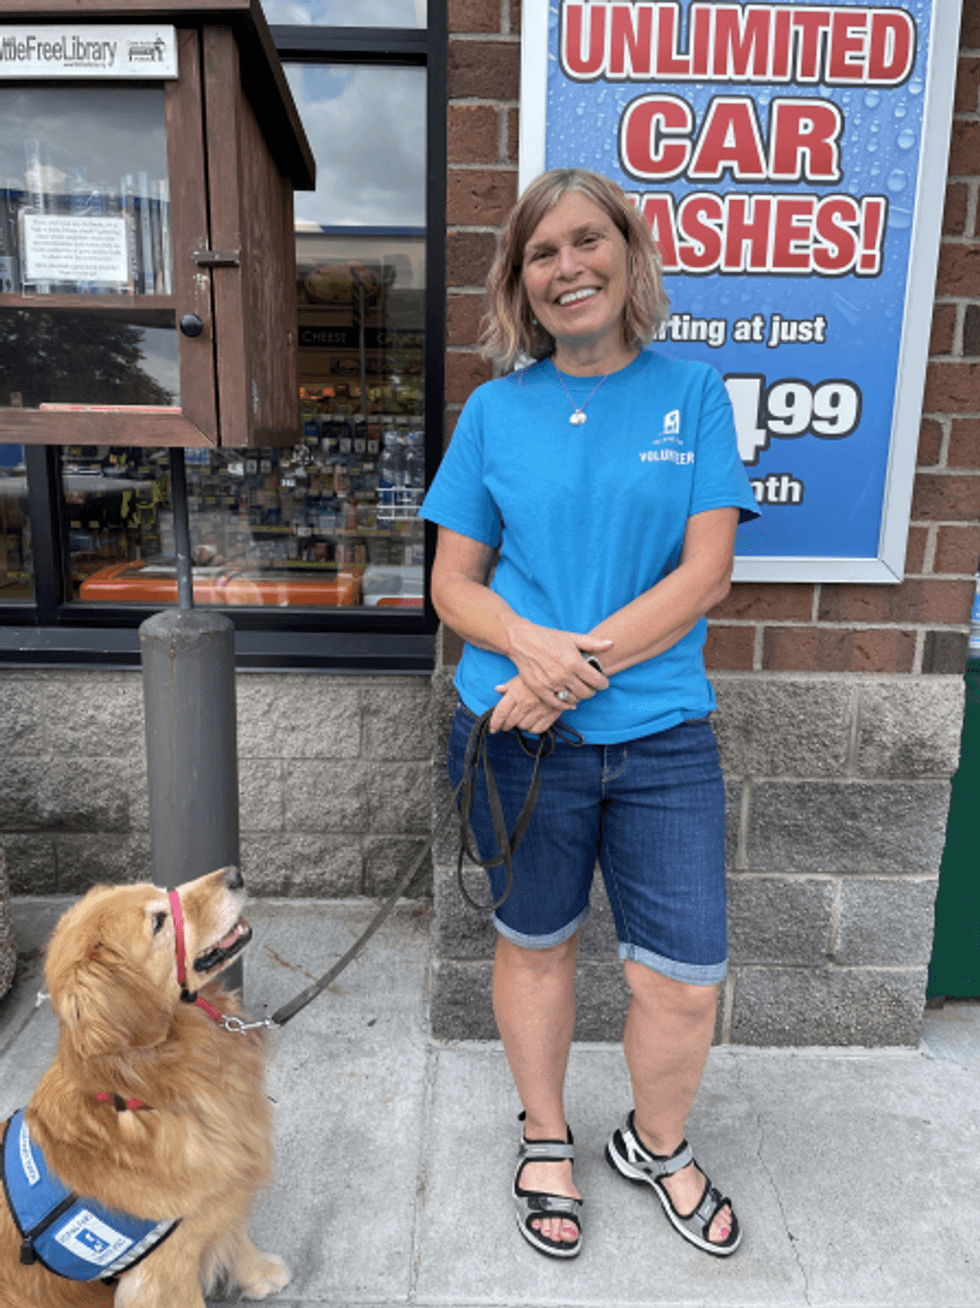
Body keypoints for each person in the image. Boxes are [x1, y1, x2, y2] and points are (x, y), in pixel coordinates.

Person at [420, 167, 759, 1261]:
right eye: (540, 253)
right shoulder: (493, 412)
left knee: (681, 976)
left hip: (660, 739)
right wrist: (522, 647)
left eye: (584, 242)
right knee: (535, 944)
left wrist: (567, 668)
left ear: (625, 250)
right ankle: (545, 1132)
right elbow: (453, 586)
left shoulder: (691, 392)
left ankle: (654, 1146)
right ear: (520, 284)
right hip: (518, 742)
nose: (567, 267)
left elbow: (703, 576)